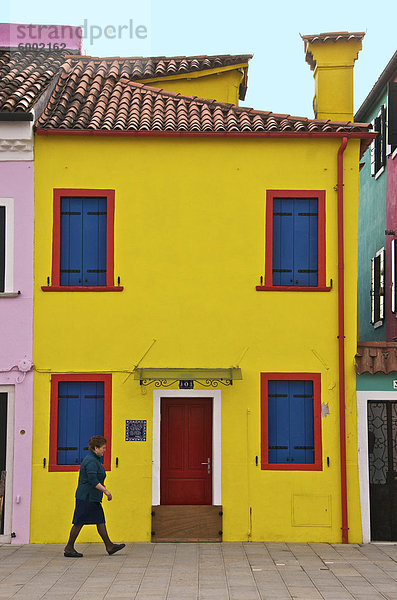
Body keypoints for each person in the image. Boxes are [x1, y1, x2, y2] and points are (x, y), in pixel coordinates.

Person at [64, 435, 125, 558]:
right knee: (79, 522)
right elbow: (92, 480)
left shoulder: (95, 459)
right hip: (86, 497)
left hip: (92, 498)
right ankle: (69, 548)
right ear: (95, 448)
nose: (104, 450)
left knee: (100, 520)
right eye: (103, 448)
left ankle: (109, 546)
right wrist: (106, 491)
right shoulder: (91, 461)